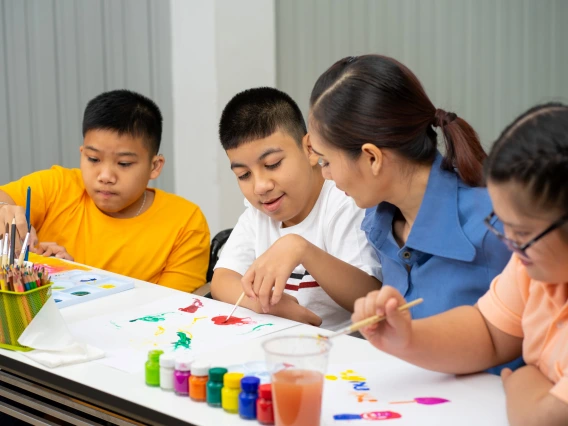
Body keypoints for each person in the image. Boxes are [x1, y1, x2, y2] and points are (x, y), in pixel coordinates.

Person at [352, 103, 568, 426]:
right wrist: (408, 337)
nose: (509, 243)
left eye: (522, 233)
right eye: (502, 225)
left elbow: (540, 419)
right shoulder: (534, 268)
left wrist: (523, 379)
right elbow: (489, 333)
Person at [0, 90, 210, 292]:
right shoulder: (57, 185)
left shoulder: (184, 222)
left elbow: (171, 309)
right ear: (82, 154)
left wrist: (70, 277)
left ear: (154, 166)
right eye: (93, 159)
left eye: (124, 163)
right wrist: (5, 213)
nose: (105, 176)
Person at [211, 87, 381, 330]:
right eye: (244, 174)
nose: (260, 186)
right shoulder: (257, 212)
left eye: (273, 164)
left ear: (310, 149)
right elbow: (222, 279)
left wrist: (302, 249)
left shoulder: (343, 200)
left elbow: (369, 297)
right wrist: (262, 304)